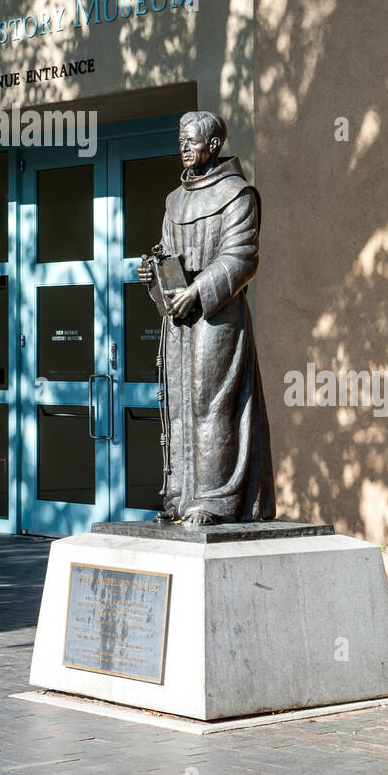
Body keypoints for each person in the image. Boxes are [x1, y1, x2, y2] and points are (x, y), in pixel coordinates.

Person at [138, 111, 276, 525]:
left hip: (218, 316)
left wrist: (198, 291)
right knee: (180, 402)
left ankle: (216, 500)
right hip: (180, 320)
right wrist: (152, 269)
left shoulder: (238, 194)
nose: (183, 148)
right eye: (180, 140)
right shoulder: (174, 199)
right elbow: (166, 250)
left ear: (213, 145)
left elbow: (242, 257)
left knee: (209, 402)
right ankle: (181, 495)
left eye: (191, 141)